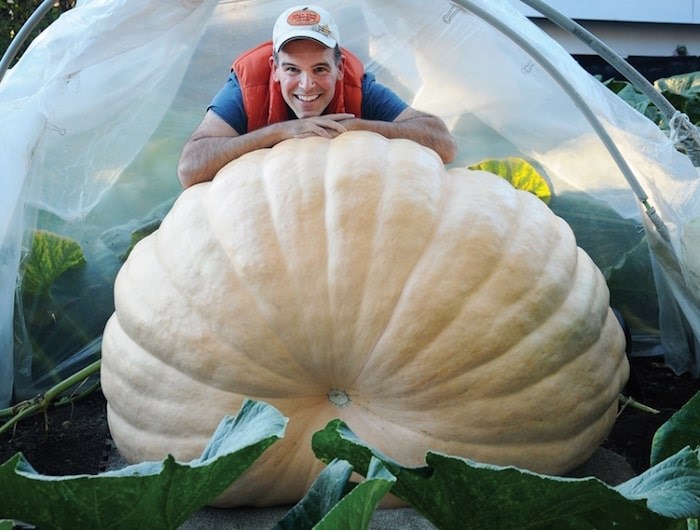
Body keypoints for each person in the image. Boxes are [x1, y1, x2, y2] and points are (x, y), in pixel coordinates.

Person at [177, 4, 457, 188]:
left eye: (320, 68)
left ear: (339, 68)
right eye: (292, 69)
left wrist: (354, 128)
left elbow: (444, 144)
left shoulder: (358, 87)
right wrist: (280, 132)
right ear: (274, 69)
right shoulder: (247, 86)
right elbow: (190, 167)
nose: (307, 85)